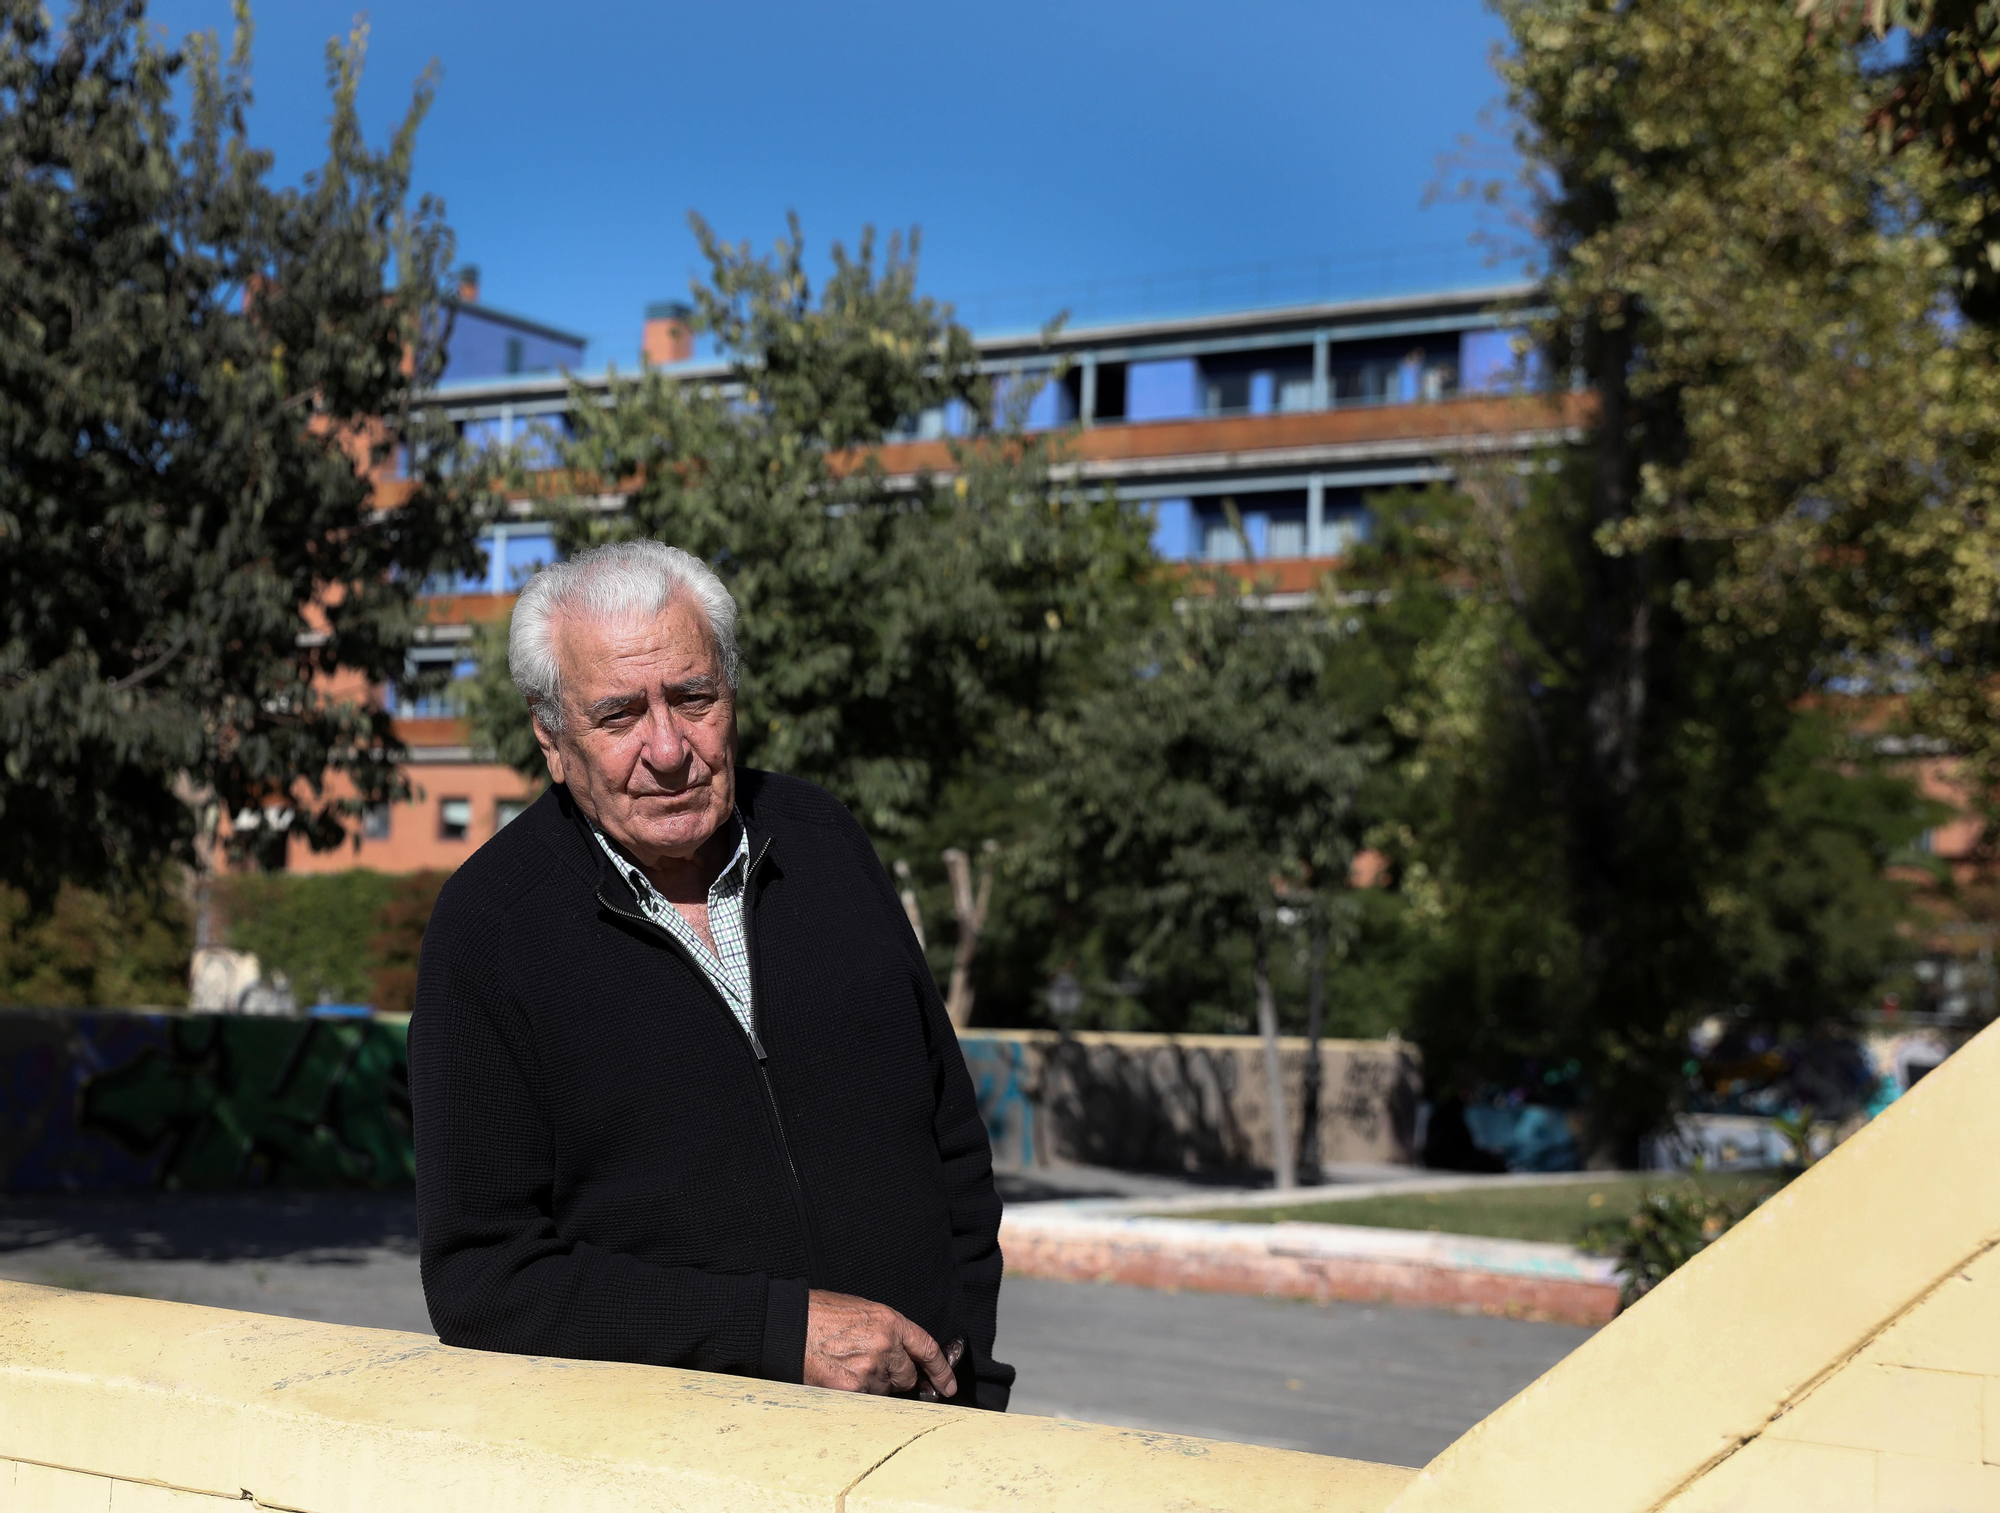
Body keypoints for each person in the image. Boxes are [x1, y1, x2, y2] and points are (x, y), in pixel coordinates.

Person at [410, 539, 1012, 1408]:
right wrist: (775, 1331)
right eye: (618, 715)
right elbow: (483, 1277)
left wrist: (976, 1376)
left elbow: (952, 1140)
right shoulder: (489, 929)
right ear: (551, 737)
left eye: (694, 698)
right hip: (675, 1466)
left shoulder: (825, 840)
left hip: (923, 1439)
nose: (668, 747)